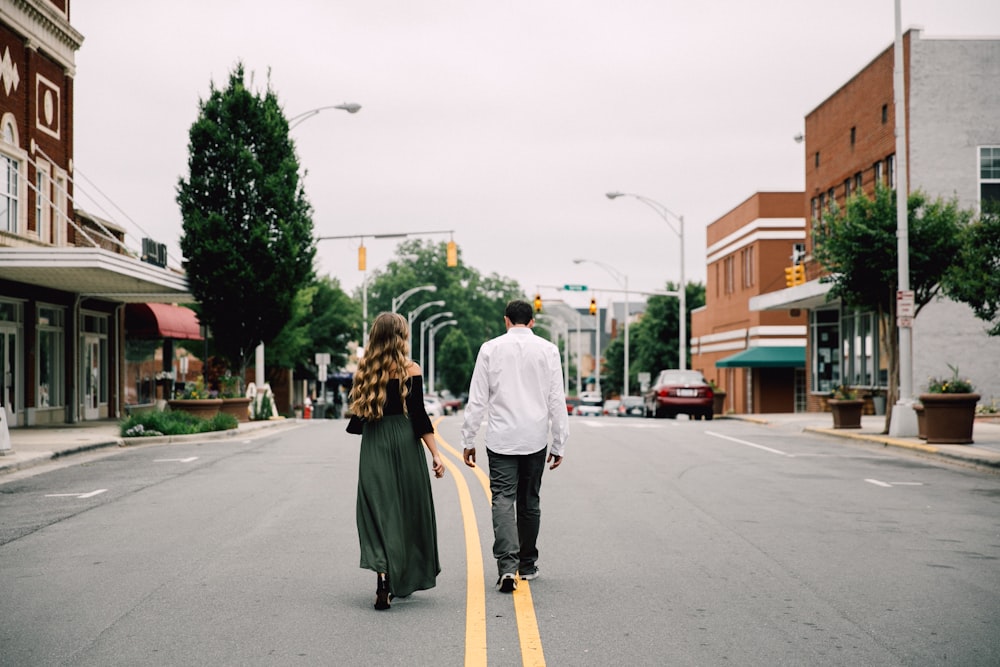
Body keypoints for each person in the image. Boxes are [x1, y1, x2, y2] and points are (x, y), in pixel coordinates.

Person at [461, 299, 569, 593]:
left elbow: (478, 398)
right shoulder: (548, 350)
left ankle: (507, 567)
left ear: (506, 320)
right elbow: (556, 399)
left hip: (501, 439)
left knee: (503, 499)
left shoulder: (490, 349)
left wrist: (468, 439)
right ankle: (528, 564)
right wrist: (559, 442)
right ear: (531, 322)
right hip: (534, 438)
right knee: (530, 500)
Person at [346, 312, 446, 610]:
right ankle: (404, 573)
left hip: (375, 444)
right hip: (405, 442)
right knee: (408, 510)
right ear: (401, 336)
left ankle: (383, 578)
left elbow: (359, 417)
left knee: (378, 511)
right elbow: (418, 415)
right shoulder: (410, 369)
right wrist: (436, 454)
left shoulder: (365, 369)